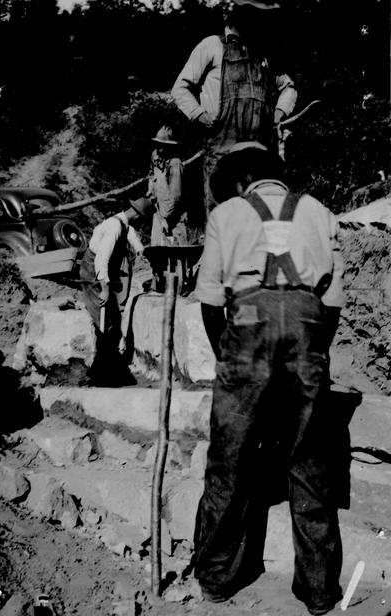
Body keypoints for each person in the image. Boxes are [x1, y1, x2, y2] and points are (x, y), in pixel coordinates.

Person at [193, 142, 345, 615]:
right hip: (308, 324)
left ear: (241, 182)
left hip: (249, 322)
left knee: (230, 455)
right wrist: (311, 346)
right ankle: (319, 592)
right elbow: (333, 302)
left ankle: (217, 577)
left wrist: (232, 356)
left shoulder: (229, 213)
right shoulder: (318, 210)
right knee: (309, 457)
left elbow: (211, 299)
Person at [171, 0, 297, 212]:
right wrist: (199, 114)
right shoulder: (211, 45)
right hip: (222, 147)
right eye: (245, 12)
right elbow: (179, 88)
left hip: (259, 150)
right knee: (222, 217)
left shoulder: (262, 55)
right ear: (231, 15)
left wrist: (278, 112)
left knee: (262, 214)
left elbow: (289, 87)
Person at [80, 197, 154, 382]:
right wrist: (104, 289)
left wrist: (140, 250)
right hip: (93, 271)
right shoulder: (114, 228)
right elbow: (101, 261)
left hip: (102, 271)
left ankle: (108, 361)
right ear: (136, 214)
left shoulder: (124, 223)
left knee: (112, 316)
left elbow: (131, 235)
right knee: (99, 318)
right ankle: (98, 368)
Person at [148, 125, 186, 247]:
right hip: (158, 211)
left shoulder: (175, 164)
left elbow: (176, 196)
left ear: (170, 146)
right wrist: (150, 188)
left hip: (173, 216)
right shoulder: (155, 156)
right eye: (158, 145)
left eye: (163, 146)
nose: (159, 149)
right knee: (157, 250)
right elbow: (151, 174)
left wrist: (166, 218)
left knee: (176, 253)